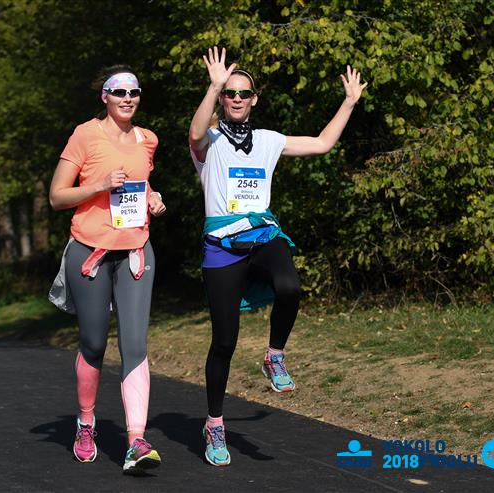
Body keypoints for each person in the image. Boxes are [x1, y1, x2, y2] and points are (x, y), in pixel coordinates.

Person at [188, 47, 367, 466]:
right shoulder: (210, 141)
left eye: (243, 93)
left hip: (263, 234)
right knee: (224, 342)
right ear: (222, 98)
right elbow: (194, 134)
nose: (236, 98)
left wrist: (349, 102)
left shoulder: (268, 141)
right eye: (229, 93)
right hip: (222, 245)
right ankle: (214, 423)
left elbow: (322, 143)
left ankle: (275, 356)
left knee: (290, 286)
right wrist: (212, 86)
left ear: (254, 99)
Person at [48, 65, 167, 475]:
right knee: (94, 342)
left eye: (134, 91)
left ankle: (136, 440)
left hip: (136, 251)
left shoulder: (147, 139)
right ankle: (86, 424)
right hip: (90, 252)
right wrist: (99, 185)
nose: (127, 98)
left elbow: (140, 184)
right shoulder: (85, 134)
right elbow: (57, 196)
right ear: (105, 96)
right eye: (119, 91)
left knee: (135, 344)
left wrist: (153, 197)